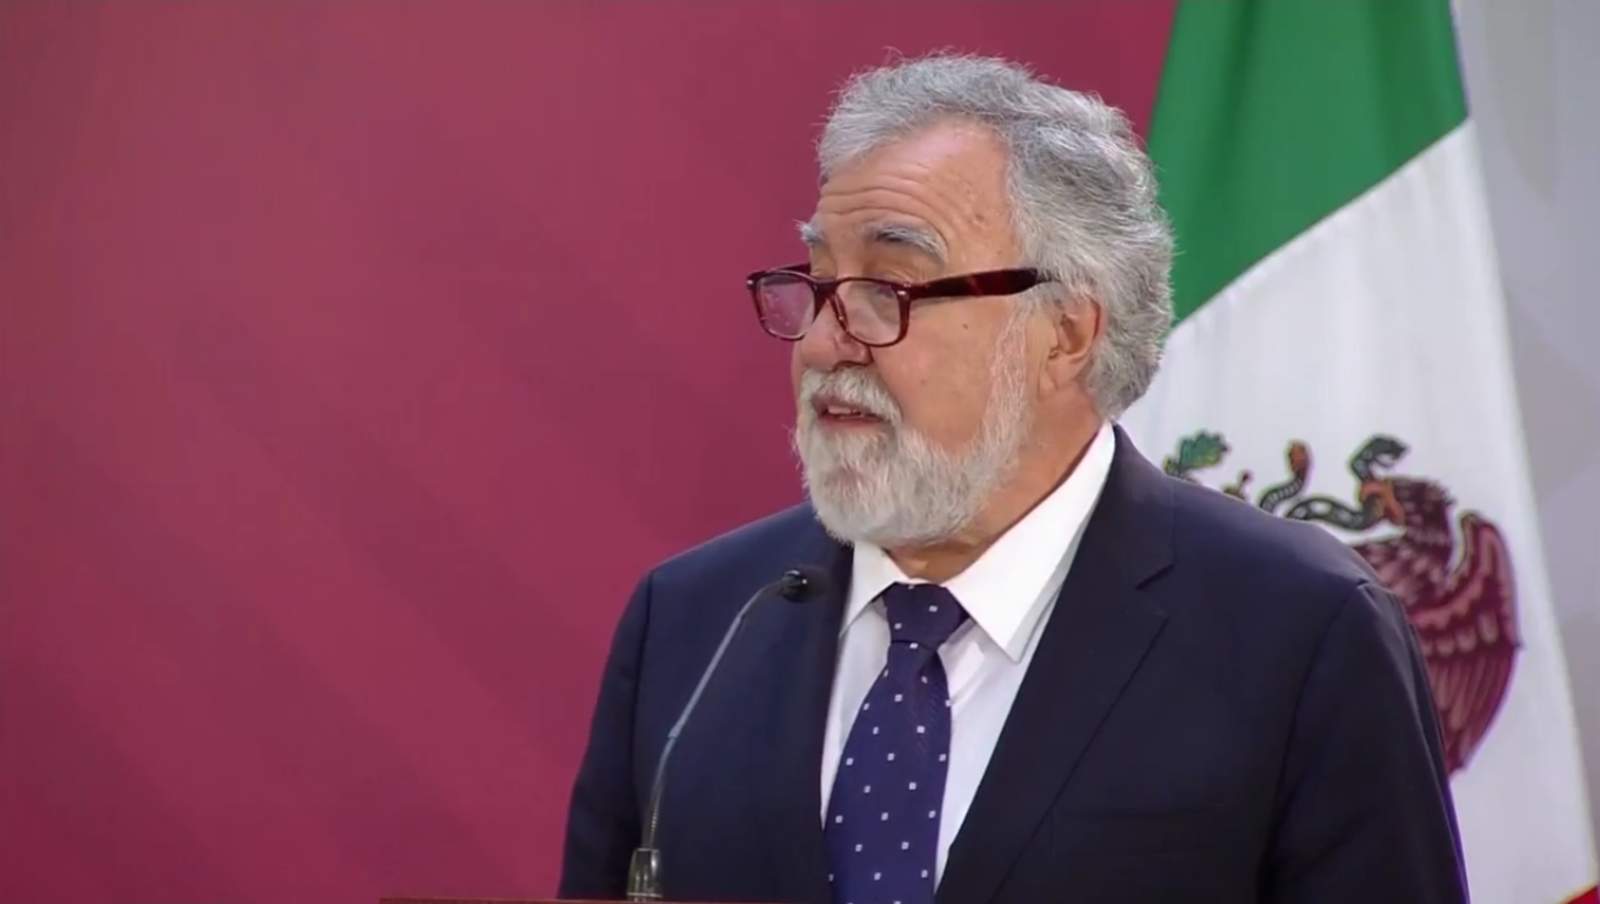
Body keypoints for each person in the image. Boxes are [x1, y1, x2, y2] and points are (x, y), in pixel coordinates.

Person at [559, 54, 1467, 903]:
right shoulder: (697, 619)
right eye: (820, 281)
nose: (826, 342)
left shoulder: (1300, 631)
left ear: (1065, 334)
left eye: (889, 290)